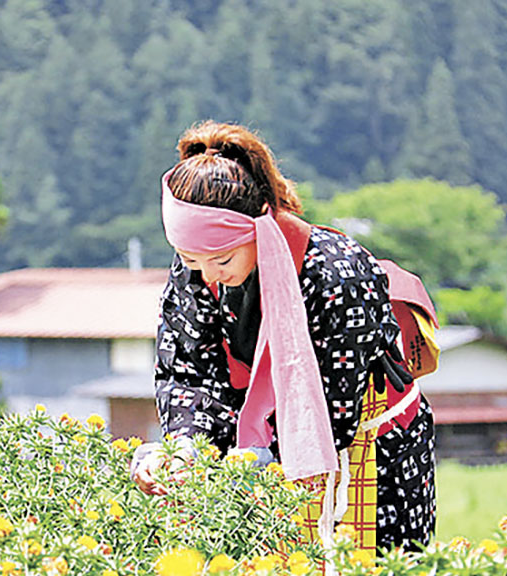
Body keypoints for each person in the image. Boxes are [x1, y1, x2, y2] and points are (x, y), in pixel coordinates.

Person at [131, 120, 436, 553]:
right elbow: (187, 373)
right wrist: (186, 449)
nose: (207, 274)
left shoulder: (336, 272)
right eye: (190, 259)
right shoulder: (196, 270)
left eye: (221, 259)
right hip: (261, 451)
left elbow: (334, 406)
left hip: (368, 441)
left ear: (258, 225)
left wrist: (259, 457)